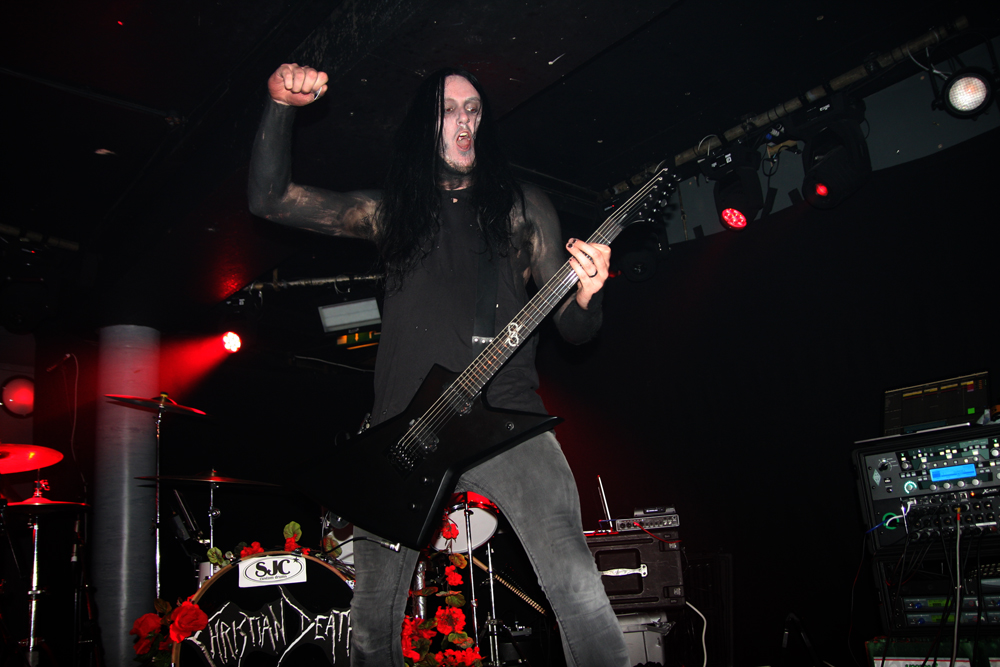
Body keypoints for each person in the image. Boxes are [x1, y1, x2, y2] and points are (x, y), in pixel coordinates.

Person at [248, 62, 630, 667]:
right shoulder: (395, 212)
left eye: (473, 109)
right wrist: (279, 107)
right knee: (372, 628)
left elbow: (575, 331)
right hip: (406, 430)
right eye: (449, 110)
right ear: (424, 126)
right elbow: (271, 200)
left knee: (579, 591)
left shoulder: (523, 207)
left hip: (508, 417)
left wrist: (589, 295)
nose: (464, 121)